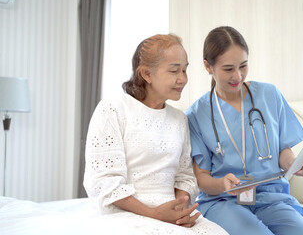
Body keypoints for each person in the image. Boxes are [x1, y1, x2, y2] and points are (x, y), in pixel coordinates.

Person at [83, 34, 228, 235]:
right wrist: (154, 214)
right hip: (124, 214)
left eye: (185, 69)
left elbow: (184, 175)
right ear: (146, 74)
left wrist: (179, 208)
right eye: (174, 70)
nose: (183, 79)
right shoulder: (114, 109)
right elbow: (105, 182)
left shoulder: (179, 119)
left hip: (169, 213)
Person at [186, 26, 303, 235]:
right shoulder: (196, 114)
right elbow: (202, 177)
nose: (237, 75)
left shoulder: (269, 95)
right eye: (228, 69)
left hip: (271, 196)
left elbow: (283, 150)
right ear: (208, 67)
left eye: (243, 66)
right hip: (223, 201)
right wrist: (223, 185)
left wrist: (295, 165)